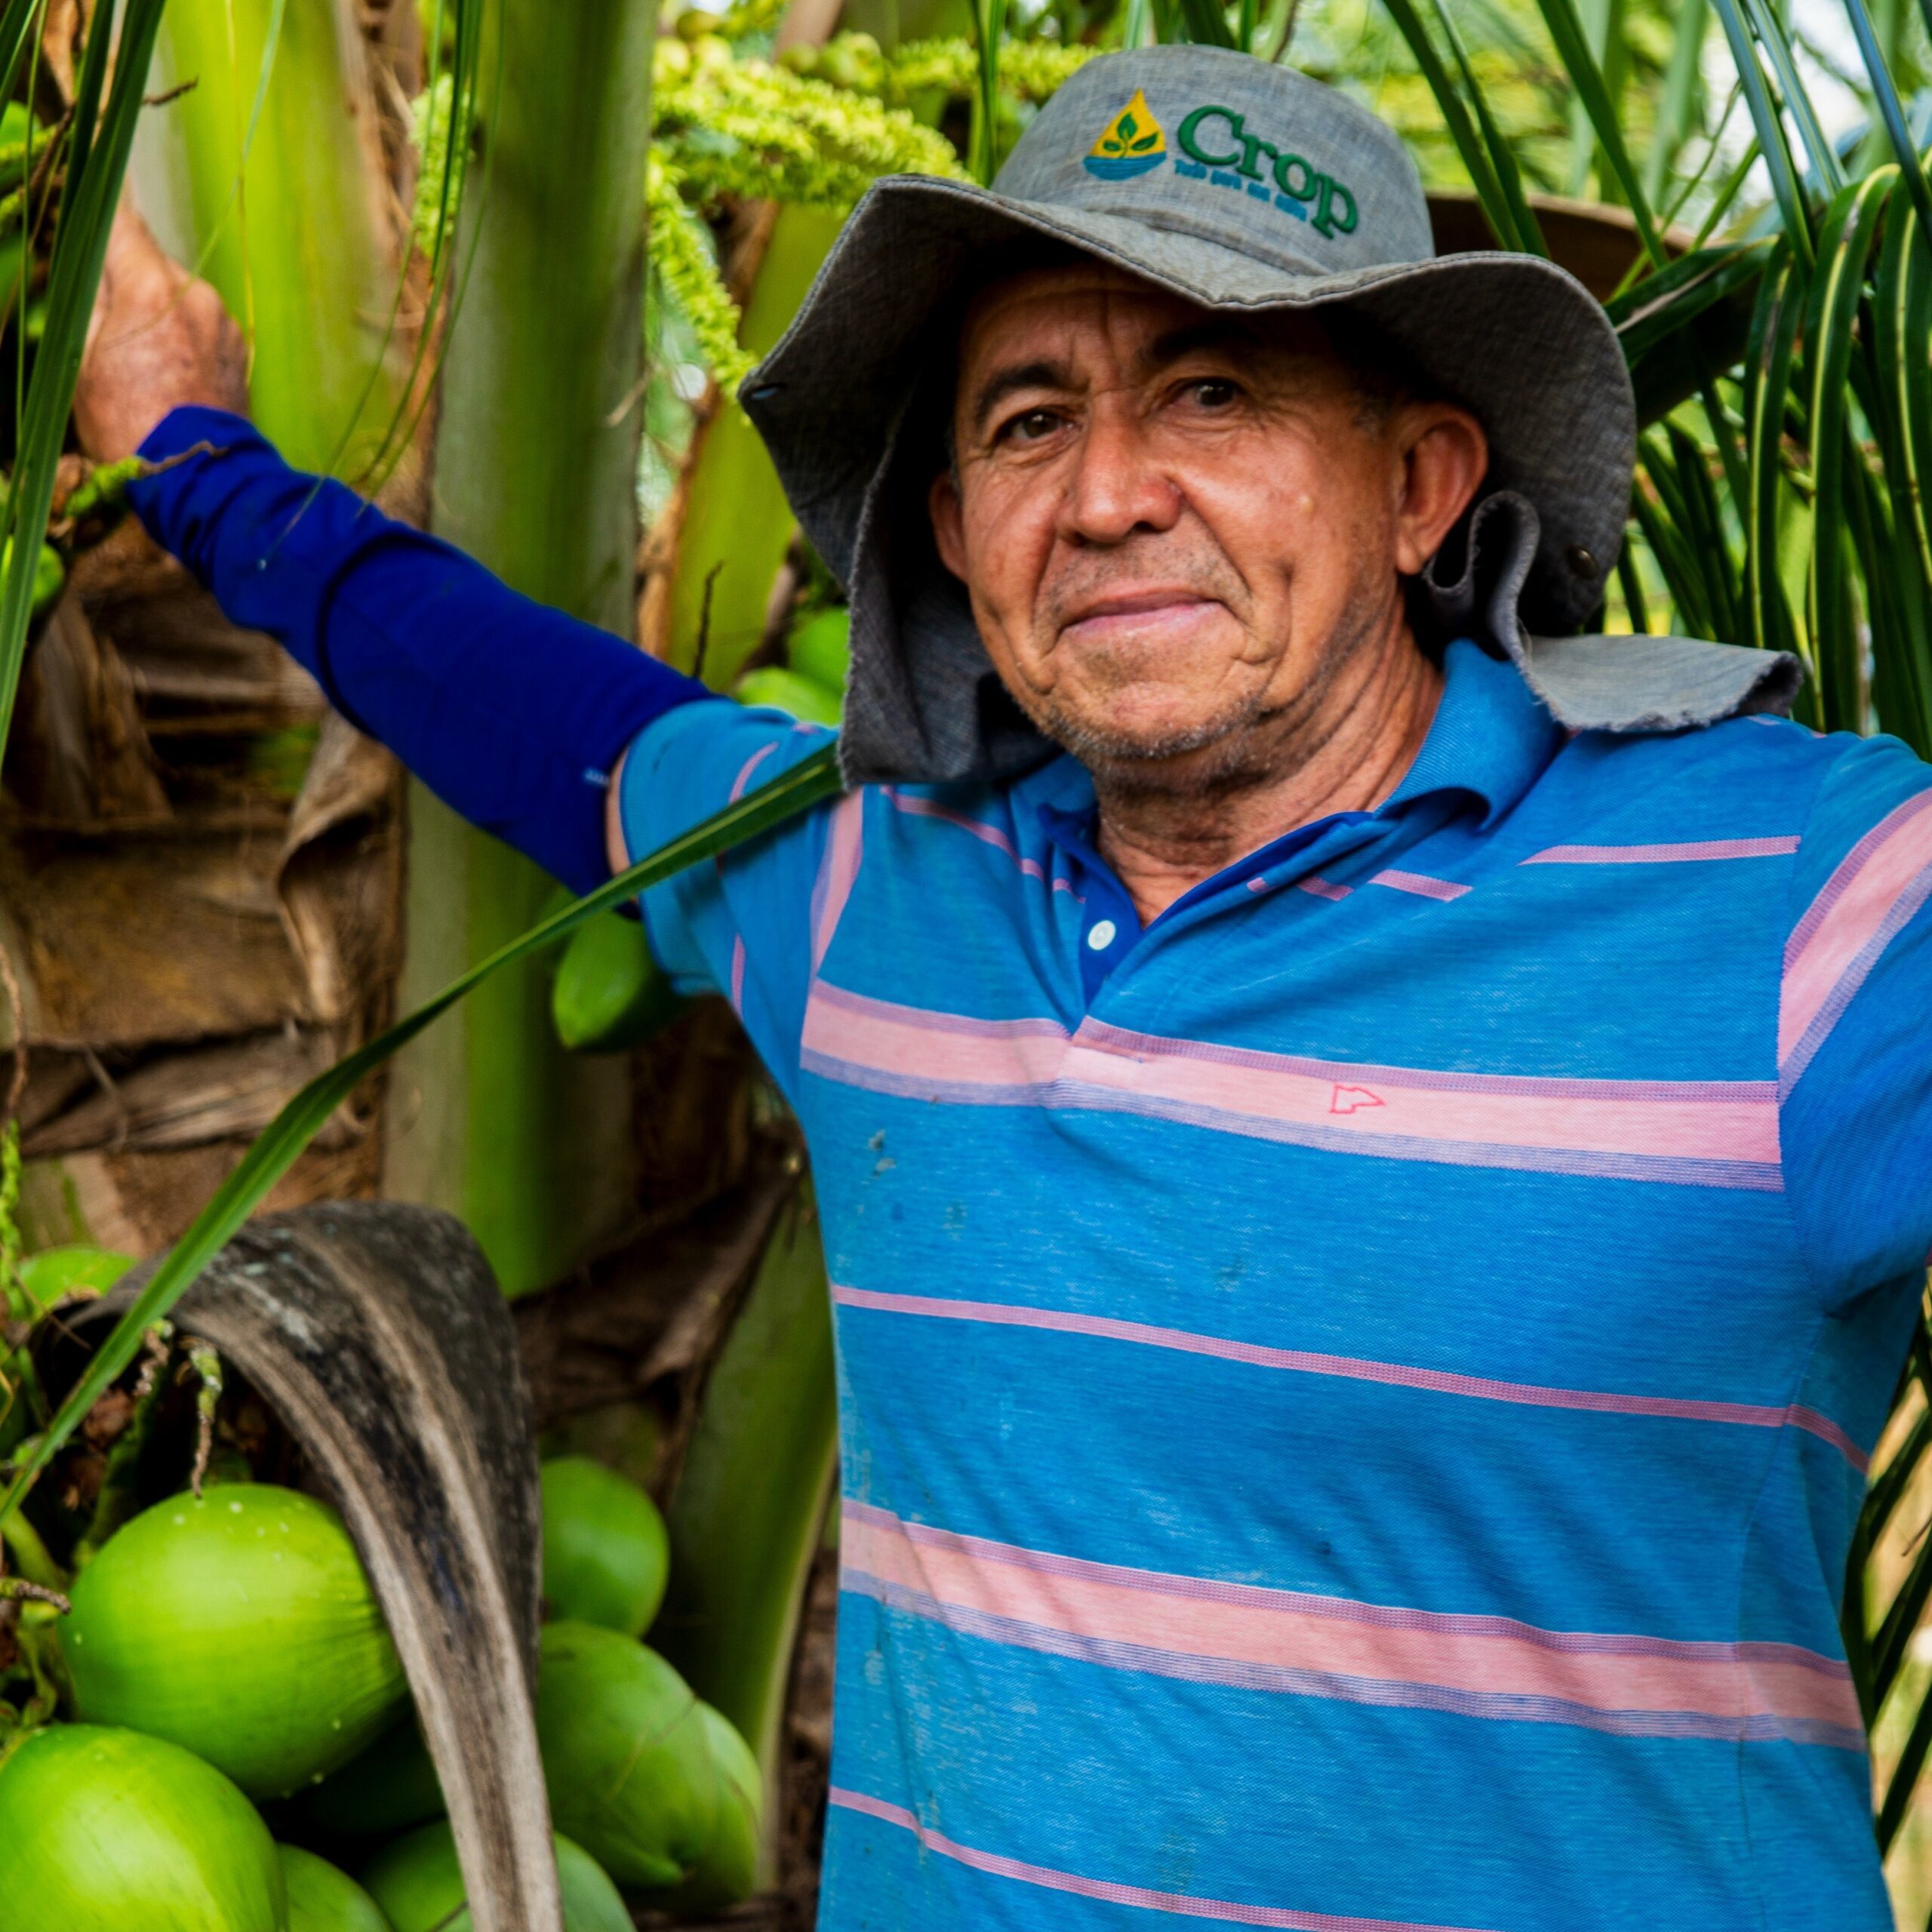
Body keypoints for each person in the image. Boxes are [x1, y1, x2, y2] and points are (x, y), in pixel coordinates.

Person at [76, 44, 1930, 1932]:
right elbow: (526, 707)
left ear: (1417, 484)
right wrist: (192, 454)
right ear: (956, 533)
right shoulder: (874, 884)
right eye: (1028, 419)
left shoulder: (1811, 900)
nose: (1109, 492)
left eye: (1212, 386)